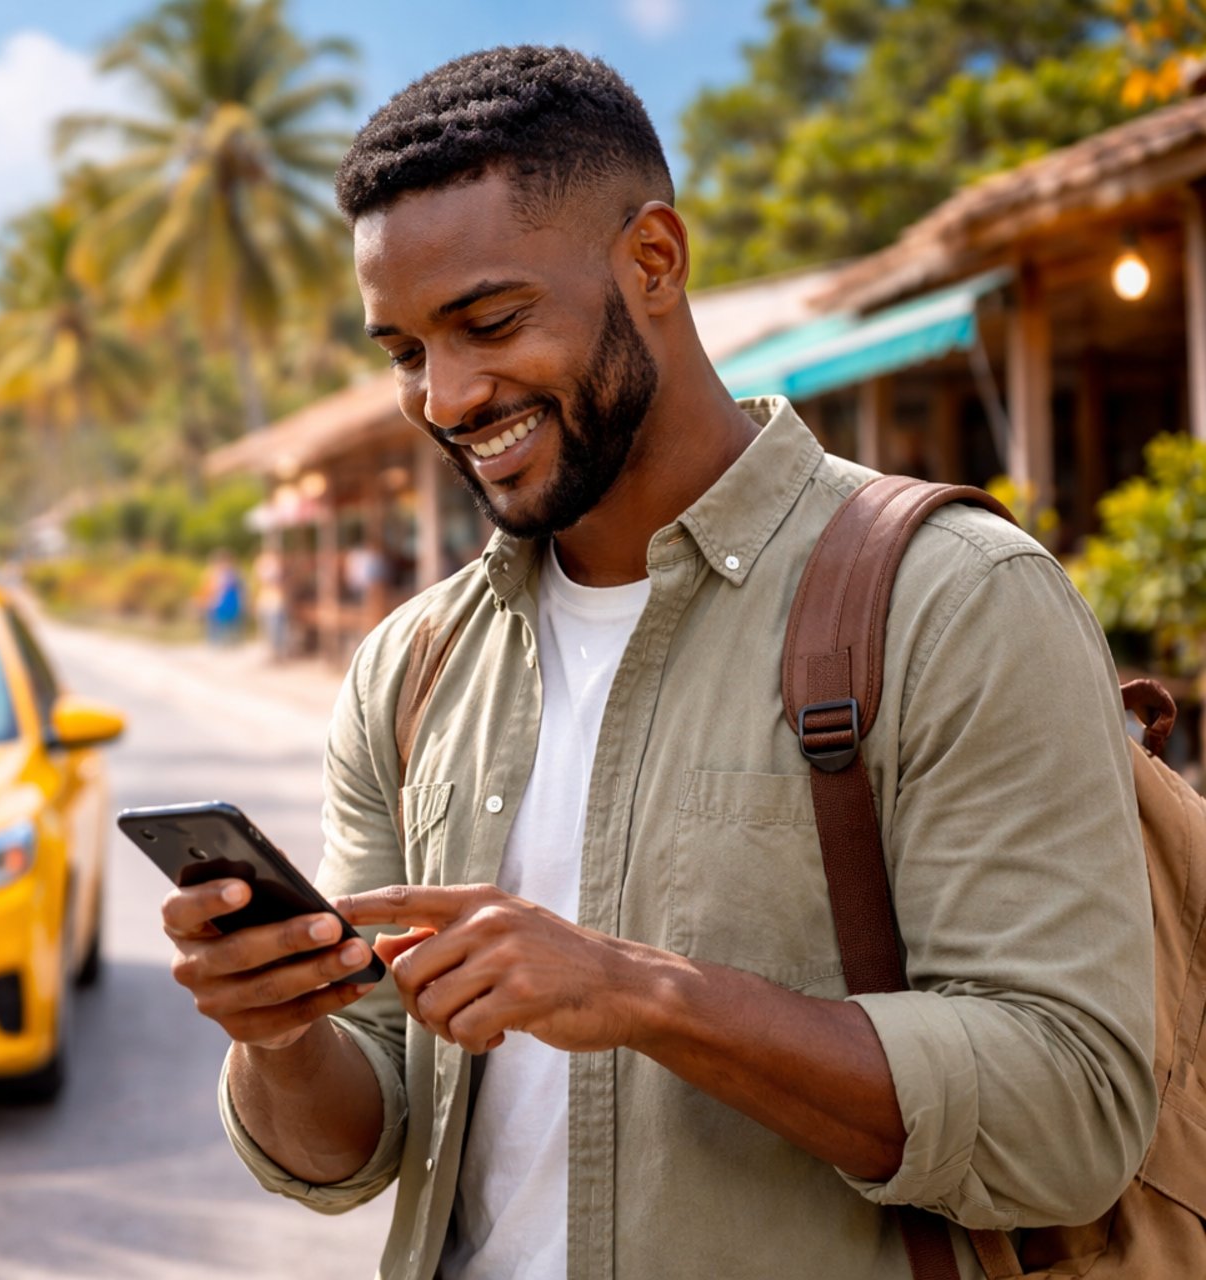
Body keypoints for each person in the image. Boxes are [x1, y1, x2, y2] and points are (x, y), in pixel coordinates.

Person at [158, 46, 1156, 1280]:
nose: (446, 395)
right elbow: (359, 1145)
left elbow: (1075, 1114)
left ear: (654, 262)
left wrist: (646, 996)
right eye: (405, 350)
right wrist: (278, 1036)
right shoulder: (409, 673)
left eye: (489, 321)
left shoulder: (953, 600)